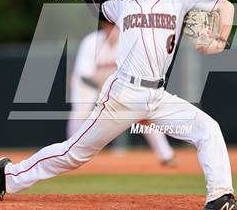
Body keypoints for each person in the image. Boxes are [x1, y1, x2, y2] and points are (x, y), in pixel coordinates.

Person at [0, 0, 237, 210]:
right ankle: (8, 175)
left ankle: (219, 196)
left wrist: (220, 40)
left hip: (157, 95)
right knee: (74, 154)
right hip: (123, 96)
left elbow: (225, 6)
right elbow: (98, 7)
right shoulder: (126, 1)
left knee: (208, 129)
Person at [67, 20, 177, 165]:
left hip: (116, 85)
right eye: (108, 25)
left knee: (142, 112)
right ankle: (70, 152)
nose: (110, 29)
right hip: (87, 85)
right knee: (81, 111)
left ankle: (166, 155)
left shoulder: (129, 42)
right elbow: (85, 75)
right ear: (103, 26)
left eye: (114, 26)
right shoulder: (91, 41)